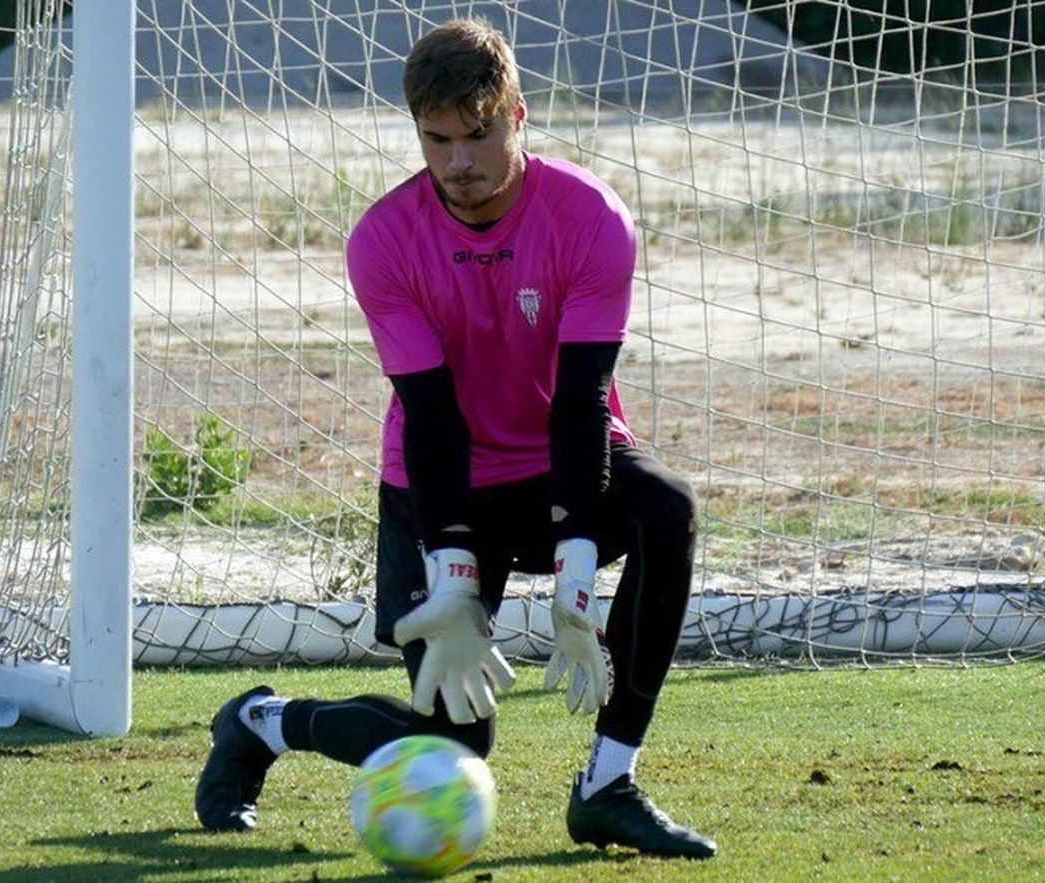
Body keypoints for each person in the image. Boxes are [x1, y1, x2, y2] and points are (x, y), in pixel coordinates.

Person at [194, 18, 714, 859]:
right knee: (456, 750)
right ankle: (262, 723)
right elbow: (430, 417)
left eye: (477, 135)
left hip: (560, 461)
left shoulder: (592, 219)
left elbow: (580, 403)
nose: (458, 162)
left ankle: (608, 782)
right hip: (440, 484)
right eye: (436, 140)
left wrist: (579, 569)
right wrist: (455, 573)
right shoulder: (382, 240)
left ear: (518, 114)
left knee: (669, 508)